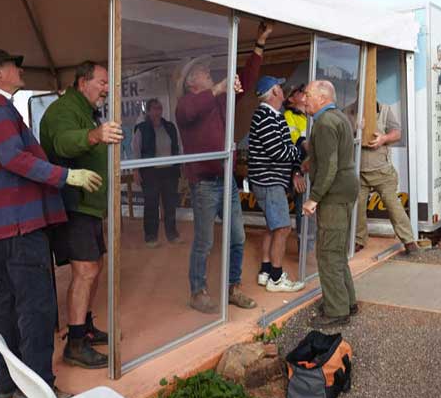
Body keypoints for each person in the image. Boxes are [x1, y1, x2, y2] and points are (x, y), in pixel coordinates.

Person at [0, 46, 102, 398]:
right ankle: (39, 388)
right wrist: (66, 176)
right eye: (15, 65)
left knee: (8, 304)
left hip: (1, 226)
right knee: (36, 307)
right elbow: (13, 157)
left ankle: (8, 382)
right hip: (18, 225)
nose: (20, 70)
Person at [175, 21, 272, 313]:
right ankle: (197, 292)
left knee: (237, 237)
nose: (208, 72)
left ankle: (232, 288)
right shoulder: (185, 105)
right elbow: (191, 110)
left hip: (224, 180)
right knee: (204, 241)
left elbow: (247, 79)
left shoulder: (216, 101)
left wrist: (259, 44)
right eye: (202, 71)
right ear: (190, 82)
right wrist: (219, 88)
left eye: (207, 70)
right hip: (204, 183)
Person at [39, 61, 122, 370]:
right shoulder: (63, 110)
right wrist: (95, 136)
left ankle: (84, 327)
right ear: (83, 82)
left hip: (88, 205)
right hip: (73, 205)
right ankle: (75, 345)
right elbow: (62, 143)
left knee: (94, 266)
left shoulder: (85, 109)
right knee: (85, 270)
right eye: (102, 82)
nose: (106, 89)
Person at [302, 80, 359, 328]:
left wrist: (313, 198)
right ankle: (347, 301)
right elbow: (330, 158)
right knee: (336, 251)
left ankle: (336, 311)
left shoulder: (324, 123)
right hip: (344, 191)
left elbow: (329, 166)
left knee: (328, 254)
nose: (303, 99)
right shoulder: (339, 117)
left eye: (307, 95)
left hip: (333, 196)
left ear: (322, 98)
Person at [248, 76, 306, 293]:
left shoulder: (273, 115)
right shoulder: (265, 116)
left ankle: (265, 271)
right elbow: (278, 151)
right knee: (283, 228)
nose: (283, 90)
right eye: (279, 87)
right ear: (273, 92)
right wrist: (300, 150)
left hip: (270, 181)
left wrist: (293, 151)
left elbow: (284, 147)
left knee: (273, 227)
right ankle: (276, 277)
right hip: (269, 181)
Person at [355, 103, 419, 256]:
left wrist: (384, 138)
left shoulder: (384, 110)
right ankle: (359, 240)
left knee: (393, 206)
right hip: (359, 172)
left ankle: (409, 241)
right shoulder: (350, 111)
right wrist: (355, 130)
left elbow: (397, 133)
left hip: (382, 172)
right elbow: (342, 137)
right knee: (357, 207)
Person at [132, 98, 182, 247]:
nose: (157, 111)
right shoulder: (141, 128)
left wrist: (181, 166)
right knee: (151, 205)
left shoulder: (170, 127)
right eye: (154, 108)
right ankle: (151, 237)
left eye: (159, 108)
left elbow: (177, 147)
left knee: (170, 205)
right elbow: (136, 150)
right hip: (150, 173)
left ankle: (172, 235)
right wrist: (136, 170)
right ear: (148, 111)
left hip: (170, 172)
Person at [283, 83, 316, 253]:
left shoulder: (312, 115)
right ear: (291, 98)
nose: (305, 93)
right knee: (304, 211)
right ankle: (306, 252)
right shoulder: (288, 116)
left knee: (314, 211)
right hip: (302, 171)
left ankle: (313, 249)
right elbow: (294, 146)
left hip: (315, 169)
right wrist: (296, 172)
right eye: (300, 91)